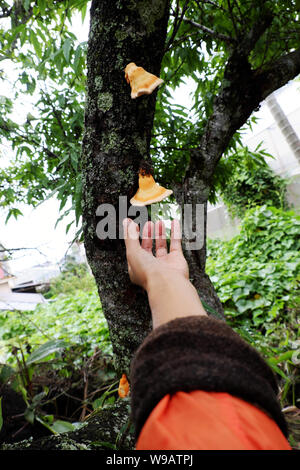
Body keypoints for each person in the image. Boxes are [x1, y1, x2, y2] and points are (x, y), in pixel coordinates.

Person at [122, 217, 291, 451]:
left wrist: (159, 278)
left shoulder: (184, 434)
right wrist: (165, 279)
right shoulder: (249, 433)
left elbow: (197, 401)